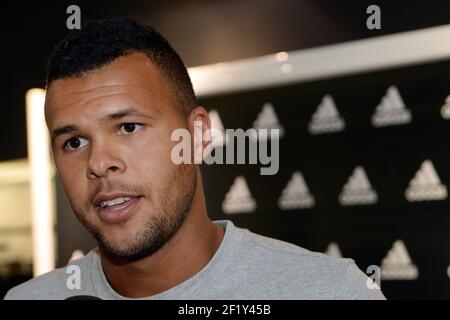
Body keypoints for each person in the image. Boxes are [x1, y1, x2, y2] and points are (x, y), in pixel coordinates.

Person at [4, 19, 385, 300]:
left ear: (199, 135)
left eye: (129, 127)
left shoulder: (330, 292)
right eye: (73, 142)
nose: (99, 162)